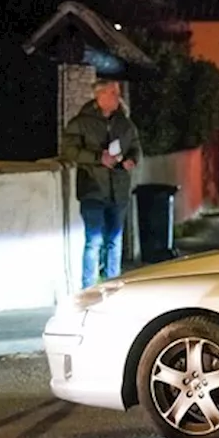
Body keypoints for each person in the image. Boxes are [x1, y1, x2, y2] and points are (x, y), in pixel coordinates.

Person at [61, 80, 140, 289]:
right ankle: (89, 288)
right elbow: (68, 150)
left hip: (119, 190)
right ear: (100, 95)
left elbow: (135, 146)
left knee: (115, 240)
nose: (118, 96)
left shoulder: (125, 123)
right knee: (94, 241)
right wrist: (98, 158)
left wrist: (132, 159)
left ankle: (112, 286)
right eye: (113, 92)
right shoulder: (80, 122)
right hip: (93, 189)